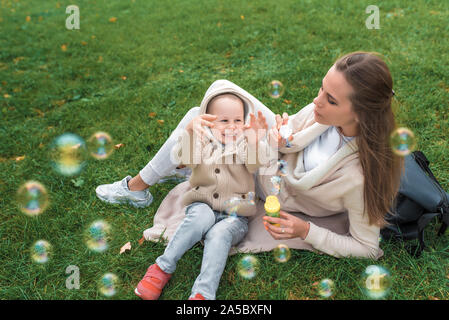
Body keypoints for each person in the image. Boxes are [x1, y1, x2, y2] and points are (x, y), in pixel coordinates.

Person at [96, 51, 403, 264]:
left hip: (270, 182)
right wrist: (284, 131)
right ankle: (191, 164)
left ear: (361, 114)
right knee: (210, 104)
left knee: (201, 122)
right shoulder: (323, 112)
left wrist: (307, 231)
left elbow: (366, 248)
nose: (315, 101)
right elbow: (296, 127)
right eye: (321, 89)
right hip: (268, 151)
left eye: (330, 99)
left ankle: (138, 187)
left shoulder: (360, 177)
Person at [133, 82, 271, 300]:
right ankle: (161, 268)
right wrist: (189, 132)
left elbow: (255, 164)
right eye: (223, 121)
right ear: (208, 123)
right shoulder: (203, 142)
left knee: (219, 234)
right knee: (200, 217)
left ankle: (203, 293)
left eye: (237, 120)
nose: (231, 126)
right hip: (202, 204)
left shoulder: (245, 145)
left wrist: (255, 141)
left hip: (235, 216)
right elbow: (184, 160)